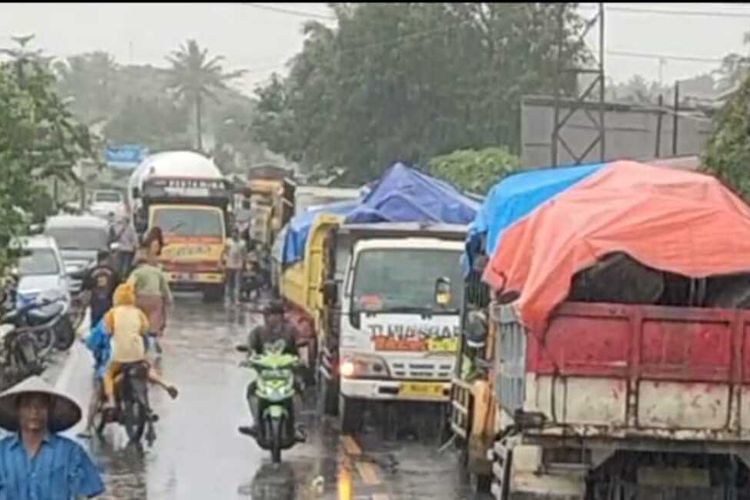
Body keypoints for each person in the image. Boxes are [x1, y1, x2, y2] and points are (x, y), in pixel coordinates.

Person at [0, 375, 105, 499]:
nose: (34, 411)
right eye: (27, 406)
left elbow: (91, 493)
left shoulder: (71, 452)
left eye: (41, 405)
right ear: (18, 410)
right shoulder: (2, 453)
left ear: (49, 410)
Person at [79, 316, 178, 438]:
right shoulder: (137, 318)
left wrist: (87, 341)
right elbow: (146, 341)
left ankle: (88, 427)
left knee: (99, 389)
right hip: (137, 360)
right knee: (146, 371)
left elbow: (92, 342)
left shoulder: (107, 321)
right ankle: (164, 384)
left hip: (114, 361)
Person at [101, 283, 177, 413]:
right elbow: (145, 329)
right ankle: (165, 384)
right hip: (137, 352)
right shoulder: (138, 313)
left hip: (119, 354)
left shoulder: (112, 313)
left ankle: (111, 401)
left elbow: (107, 331)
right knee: (147, 368)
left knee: (107, 375)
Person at [238, 300, 305, 441]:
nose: (272, 318)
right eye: (269, 315)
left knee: (298, 389)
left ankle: (296, 425)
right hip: (265, 375)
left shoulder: (291, 331)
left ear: (282, 316)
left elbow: (301, 347)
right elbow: (250, 350)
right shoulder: (257, 332)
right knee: (252, 389)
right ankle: (256, 423)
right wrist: (248, 359)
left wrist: (302, 360)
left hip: (286, 375)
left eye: (275, 315)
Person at [128, 227, 172, 355]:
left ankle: (142, 342)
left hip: (139, 296)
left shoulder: (138, 268)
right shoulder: (156, 269)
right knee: (155, 321)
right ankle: (153, 340)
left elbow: (129, 285)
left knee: (140, 320)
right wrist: (168, 299)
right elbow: (164, 286)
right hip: (155, 298)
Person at [81, 249, 120, 328]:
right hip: (109, 302)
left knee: (95, 326)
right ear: (107, 258)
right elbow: (119, 287)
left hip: (95, 303)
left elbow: (85, 288)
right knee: (108, 326)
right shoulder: (113, 271)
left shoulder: (91, 271)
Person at [222, 229, 247, 305]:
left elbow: (244, 254)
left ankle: (236, 300)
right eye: (233, 233)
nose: (234, 235)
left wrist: (244, 264)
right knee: (229, 284)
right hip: (229, 265)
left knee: (237, 284)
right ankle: (229, 299)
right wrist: (222, 262)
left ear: (238, 234)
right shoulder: (228, 242)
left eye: (235, 233)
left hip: (238, 266)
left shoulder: (242, 243)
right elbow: (224, 252)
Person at [109, 213, 138, 277]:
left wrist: (134, 247)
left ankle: (124, 276)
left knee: (125, 265)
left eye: (124, 221)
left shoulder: (130, 229)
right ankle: (120, 275)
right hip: (122, 249)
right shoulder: (120, 229)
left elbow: (134, 239)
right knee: (120, 264)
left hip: (128, 250)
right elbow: (116, 238)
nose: (123, 222)